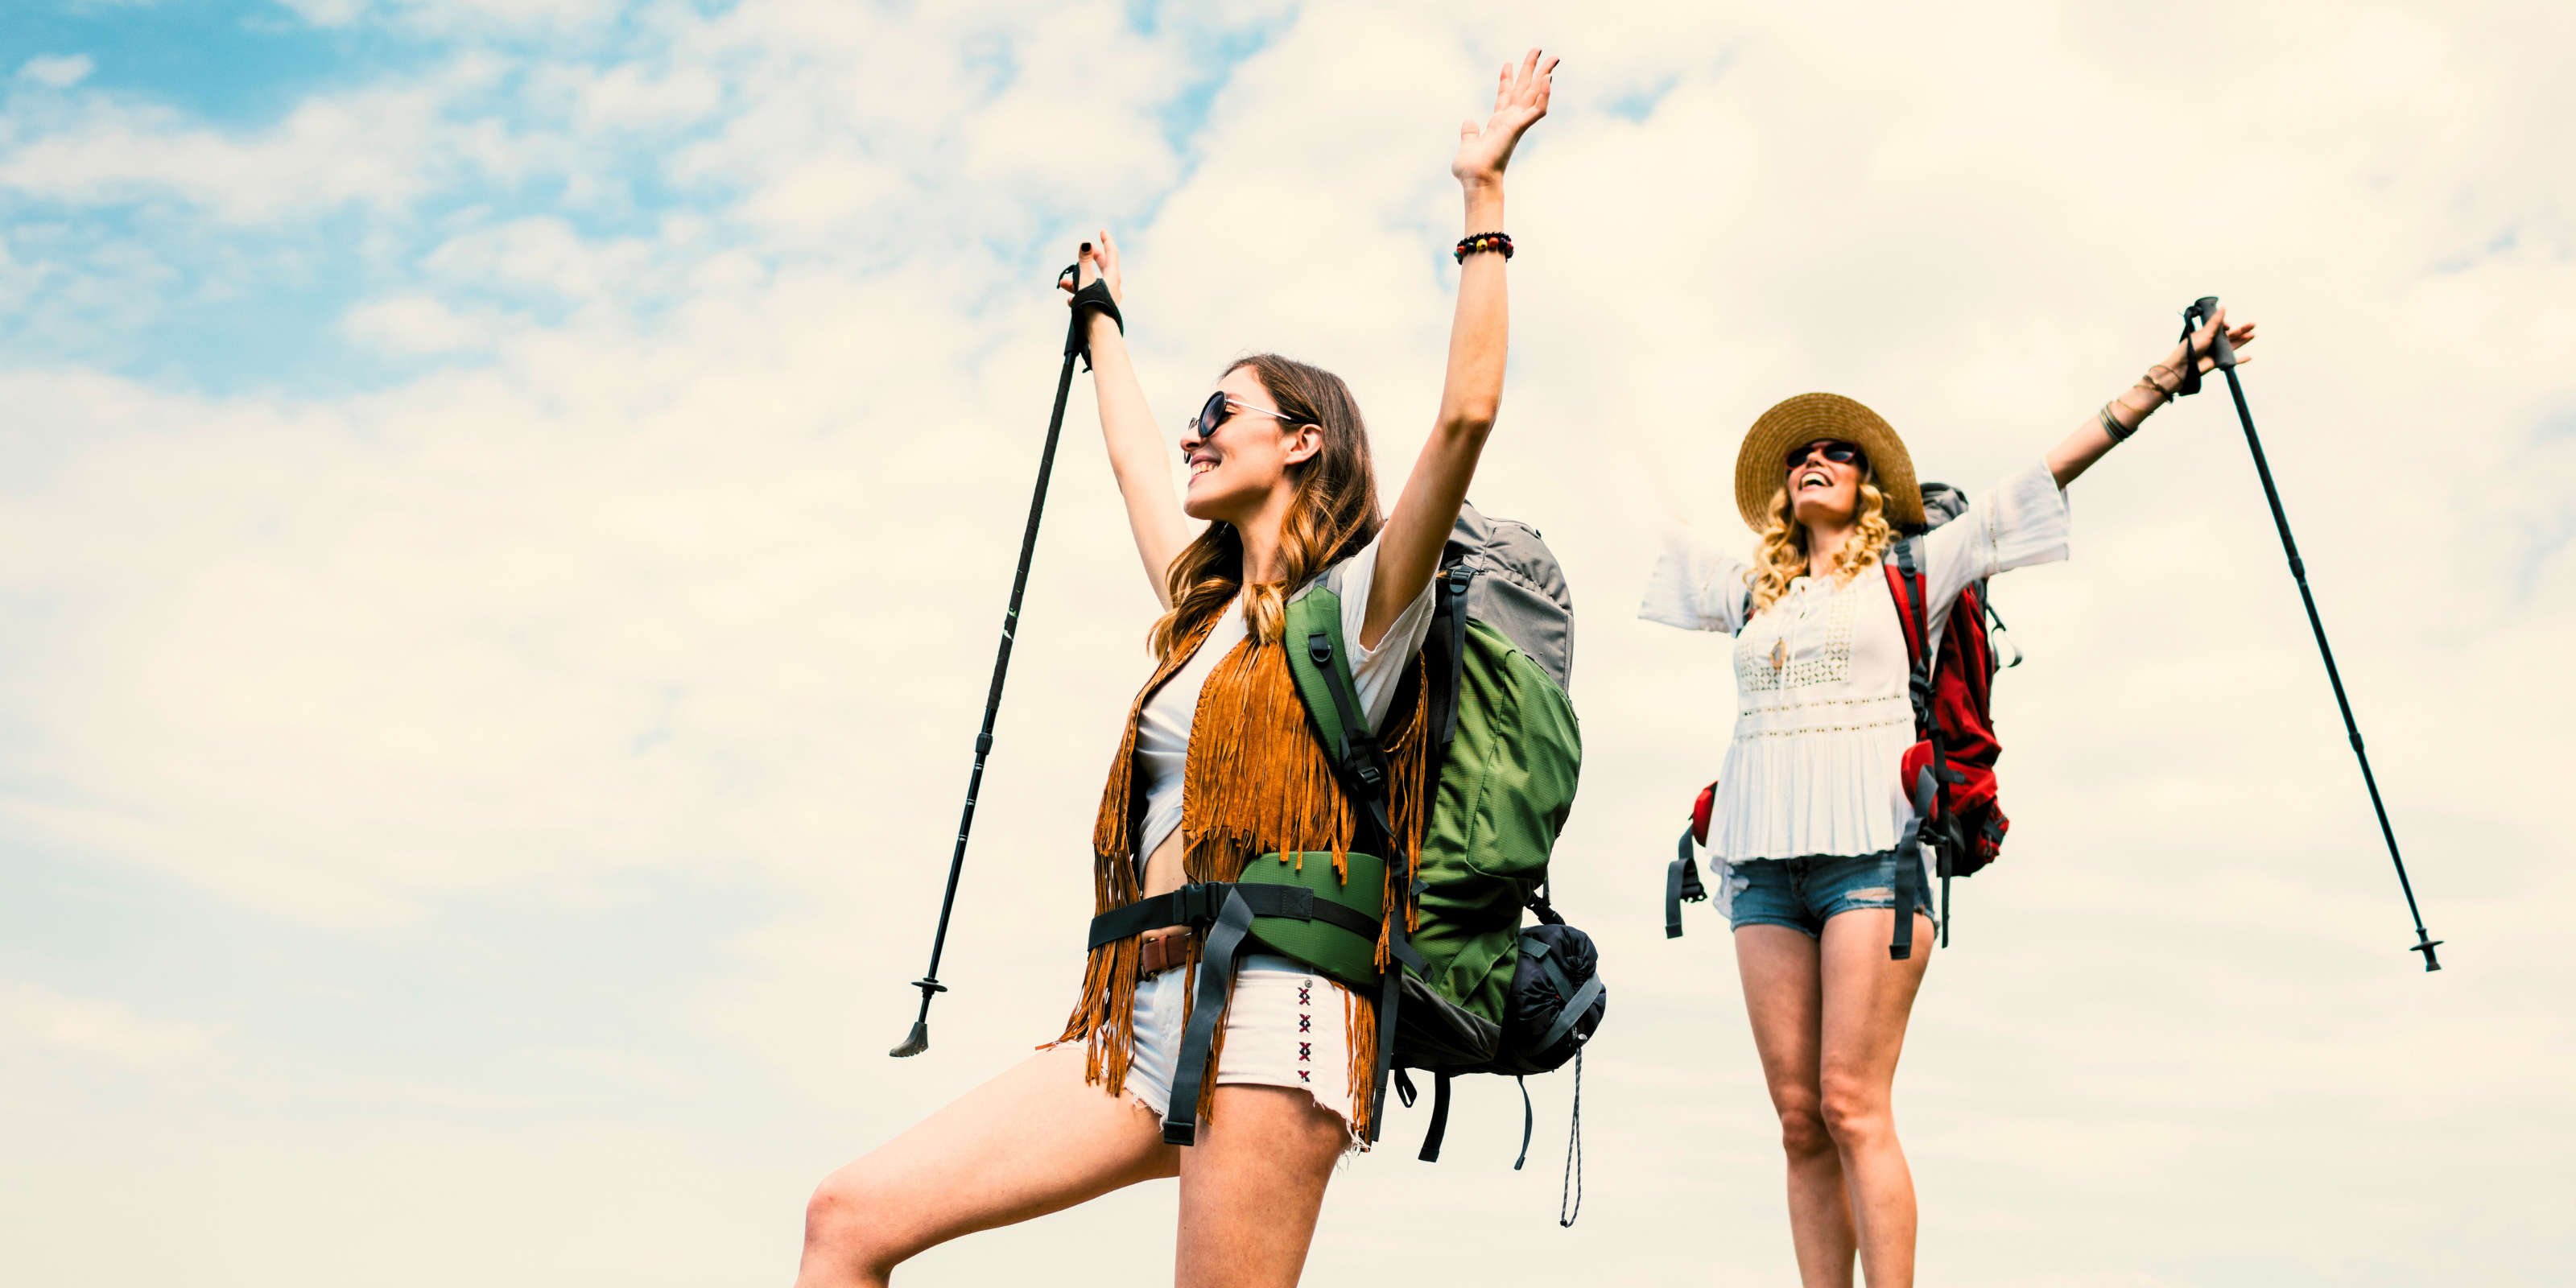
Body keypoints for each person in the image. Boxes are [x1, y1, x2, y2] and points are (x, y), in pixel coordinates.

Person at [793, 48, 1557, 1288]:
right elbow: (1138, 470)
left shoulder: (1363, 609)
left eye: (1226, 410)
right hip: (1141, 1007)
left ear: (1303, 443)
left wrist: (1485, 202)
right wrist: (1103, 326)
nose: (1199, 431)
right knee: (848, 1219)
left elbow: (1465, 416)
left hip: (1281, 1006)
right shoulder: (1206, 614)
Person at [1638, 307, 2259, 1288]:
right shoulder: (1744, 593)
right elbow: (1638, 512)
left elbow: (2042, 477)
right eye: (1801, 453)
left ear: (1866, 485)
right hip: (1756, 871)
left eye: (1838, 453)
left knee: (1850, 1101)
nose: (1816, 459)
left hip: (1872, 863)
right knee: (1797, 1119)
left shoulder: (1914, 570)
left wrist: (2159, 380)